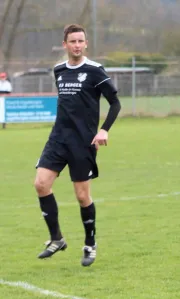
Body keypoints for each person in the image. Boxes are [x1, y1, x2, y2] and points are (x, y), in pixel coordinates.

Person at [34, 24, 121, 267]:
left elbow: (115, 103)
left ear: (86, 43)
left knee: (83, 197)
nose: (77, 45)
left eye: (81, 41)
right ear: (65, 45)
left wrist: (103, 130)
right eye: (72, 41)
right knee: (41, 184)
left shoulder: (95, 71)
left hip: (83, 142)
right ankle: (56, 239)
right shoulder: (59, 70)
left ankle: (90, 245)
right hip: (58, 138)